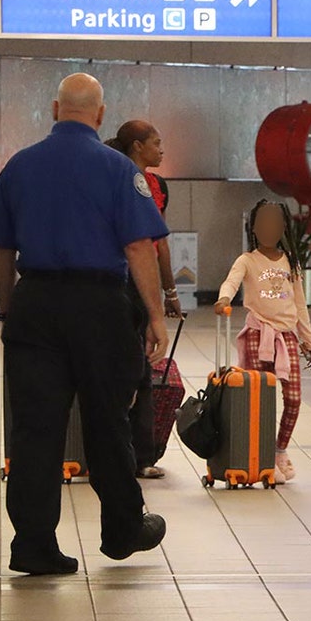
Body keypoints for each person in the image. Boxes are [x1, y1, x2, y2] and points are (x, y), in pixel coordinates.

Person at [0, 73, 169, 575]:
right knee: (107, 420)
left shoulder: (17, 167)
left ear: (53, 109)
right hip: (99, 306)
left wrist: (11, 307)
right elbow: (139, 246)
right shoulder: (116, 168)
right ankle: (122, 530)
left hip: (36, 302)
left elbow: (3, 250)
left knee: (35, 428)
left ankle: (33, 543)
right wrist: (155, 315)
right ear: (100, 114)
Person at [215, 200, 311, 483]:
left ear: (284, 227)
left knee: (294, 399)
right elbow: (232, 281)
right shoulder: (247, 260)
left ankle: (279, 449)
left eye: (275, 222)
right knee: (259, 399)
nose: (269, 228)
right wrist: (224, 298)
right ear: (255, 227)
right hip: (257, 335)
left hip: (286, 339)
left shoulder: (291, 262)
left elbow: (300, 306)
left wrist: (310, 343)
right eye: (263, 222)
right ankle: (259, 456)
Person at [106, 120, 181, 479]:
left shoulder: (129, 180)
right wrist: (167, 294)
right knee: (137, 371)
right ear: (137, 146)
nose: (162, 149)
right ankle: (137, 455)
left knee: (133, 370)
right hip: (134, 283)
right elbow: (155, 246)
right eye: (156, 142)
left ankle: (128, 452)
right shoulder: (138, 184)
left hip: (117, 282)